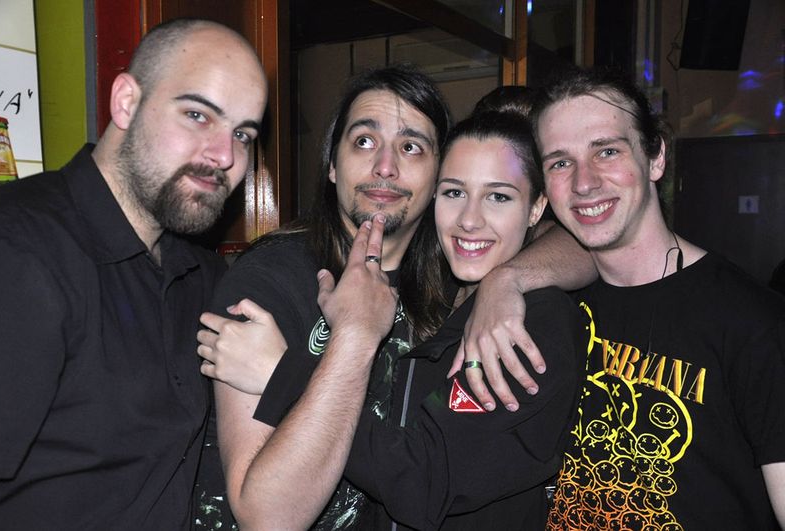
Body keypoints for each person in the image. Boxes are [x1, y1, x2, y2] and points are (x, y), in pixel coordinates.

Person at [195, 67, 595, 530]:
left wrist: (507, 281)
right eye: (364, 141)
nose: (385, 166)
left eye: (411, 147)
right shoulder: (272, 280)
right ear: (332, 164)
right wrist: (355, 334)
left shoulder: (447, 280)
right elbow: (268, 518)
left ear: (436, 172)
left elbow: (587, 246)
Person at [461, 67, 785, 529]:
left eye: (607, 151)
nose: (584, 182)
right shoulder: (548, 305)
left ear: (655, 158)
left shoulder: (756, 324)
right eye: (560, 163)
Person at [0, 19, 267, 529]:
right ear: (126, 102)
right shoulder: (13, 250)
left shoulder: (199, 273)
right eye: (198, 115)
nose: (225, 156)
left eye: (242, 134)